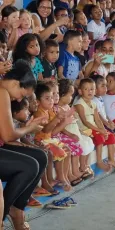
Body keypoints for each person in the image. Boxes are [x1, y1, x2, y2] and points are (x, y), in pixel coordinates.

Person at [0, 60, 48, 230]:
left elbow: (6, 136)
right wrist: (29, 128)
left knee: (41, 156)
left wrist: (23, 140)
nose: (19, 99)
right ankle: (3, 213)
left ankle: (16, 208)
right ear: (14, 83)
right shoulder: (2, 92)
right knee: (29, 166)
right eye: (21, 94)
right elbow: (7, 135)